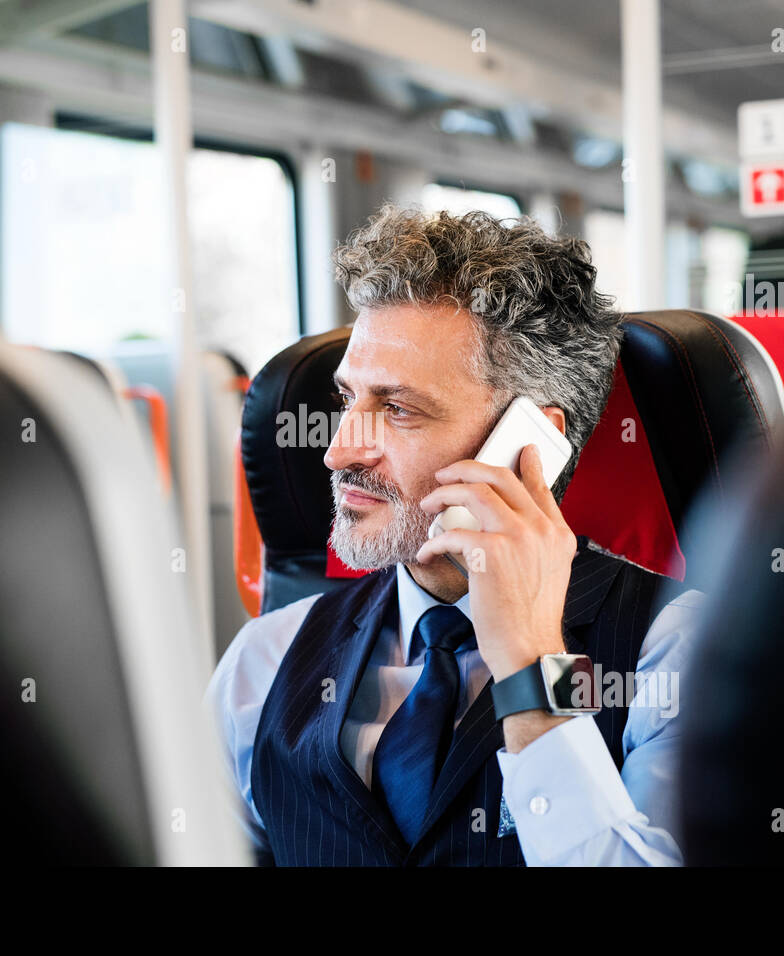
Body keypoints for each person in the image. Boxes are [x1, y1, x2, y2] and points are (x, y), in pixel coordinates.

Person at [206, 205, 702, 866]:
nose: (337, 453)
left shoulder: (677, 649)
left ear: (530, 442)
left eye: (397, 408)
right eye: (348, 399)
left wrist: (531, 665)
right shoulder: (266, 659)